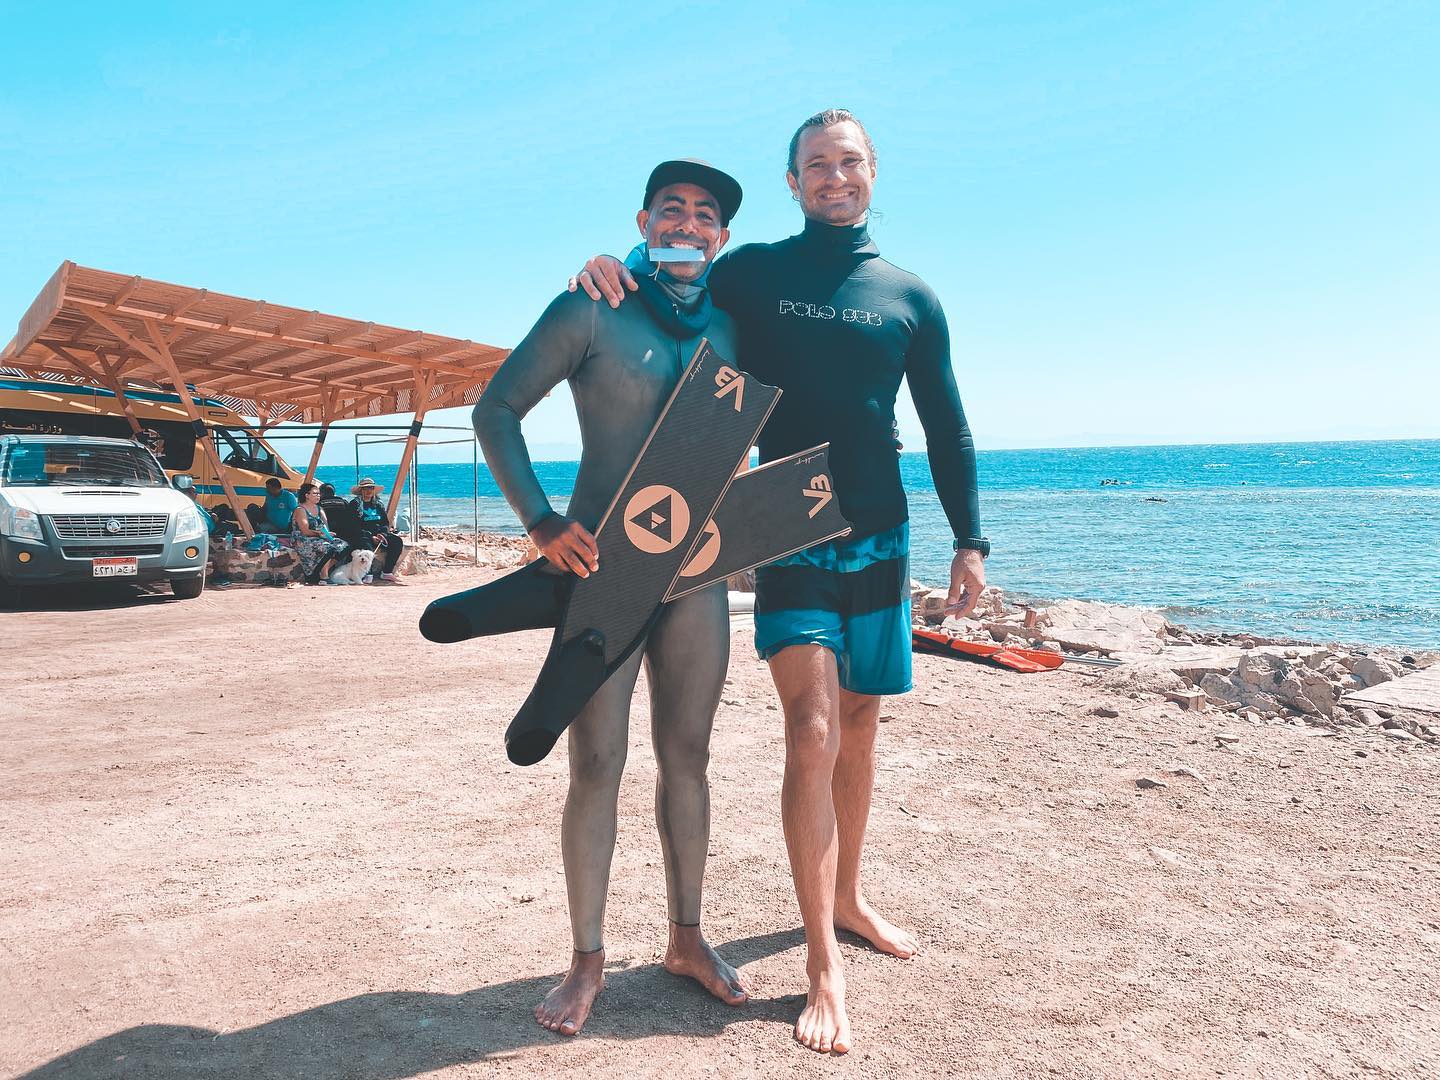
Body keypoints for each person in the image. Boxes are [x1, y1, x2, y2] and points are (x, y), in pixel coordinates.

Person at [571, 110, 988, 1055]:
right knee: (810, 729)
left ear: (873, 173)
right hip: (791, 525)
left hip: (883, 535)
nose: (833, 177)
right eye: (816, 165)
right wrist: (608, 267)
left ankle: (846, 899)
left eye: (849, 162)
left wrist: (972, 540)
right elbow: (672, 273)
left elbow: (947, 424)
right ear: (793, 181)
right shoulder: (756, 268)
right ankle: (819, 966)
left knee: (861, 730)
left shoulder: (911, 297)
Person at [472, 159, 750, 1038]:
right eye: (673, 208)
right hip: (598, 571)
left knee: (690, 758)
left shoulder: (735, 327)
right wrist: (541, 519)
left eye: (706, 215)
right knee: (595, 764)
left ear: (722, 238)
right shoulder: (591, 305)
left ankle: (688, 941)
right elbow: (496, 409)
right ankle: (587, 960)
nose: (689, 223)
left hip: (697, 577)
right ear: (644, 217)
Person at [290, 481, 348, 585]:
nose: (318, 496)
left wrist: (328, 534)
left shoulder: (319, 508)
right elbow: (305, 530)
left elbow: (325, 526)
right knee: (328, 547)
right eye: (315, 493)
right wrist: (320, 534)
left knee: (343, 546)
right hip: (303, 538)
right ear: (307, 495)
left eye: (318, 493)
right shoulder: (300, 510)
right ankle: (324, 577)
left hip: (319, 537)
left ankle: (321, 571)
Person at [351, 478, 405, 583]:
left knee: (397, 541)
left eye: (371, 488)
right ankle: (368, 573)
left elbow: (385, 522)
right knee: (366, 544)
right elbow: (353, 525)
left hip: (379, 533)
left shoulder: (378, 504)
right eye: (366, 489)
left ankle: (387, 572)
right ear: (361, 490)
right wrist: (371, 536)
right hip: (363, 534)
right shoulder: (355, 504)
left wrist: (382, 534)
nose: (369, 491)